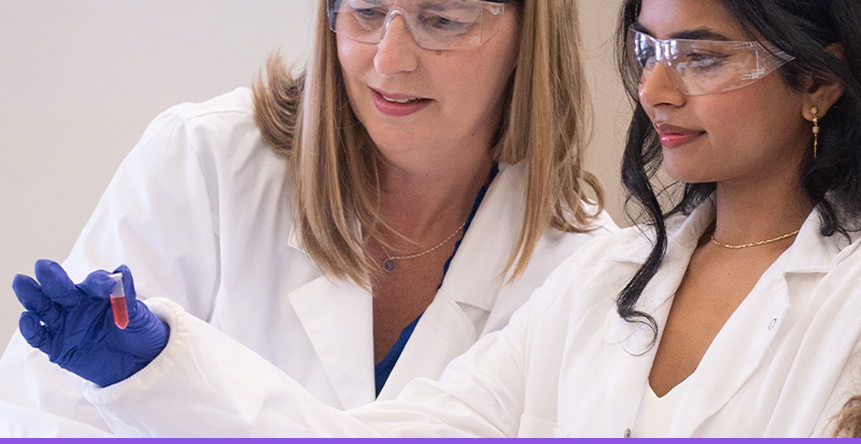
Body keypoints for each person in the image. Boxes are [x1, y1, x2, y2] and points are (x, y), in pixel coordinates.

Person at [0, 0, 617, 437]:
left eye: (443, 20)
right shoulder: (207, 160)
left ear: (529, 34)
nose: (391, 58)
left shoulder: (584, 265)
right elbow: (41, 416)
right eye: (366, 12)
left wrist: (161, 377)